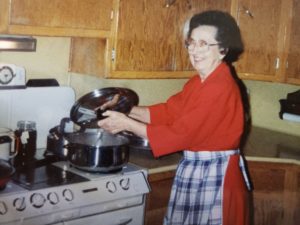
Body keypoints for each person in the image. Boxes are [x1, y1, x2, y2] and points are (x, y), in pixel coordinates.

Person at [98, 10, 251, 225]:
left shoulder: (219, 86)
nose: (195, 50)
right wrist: (126, 109)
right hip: (198, 171)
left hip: (215, 176)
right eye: (191, 42)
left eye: (205, 44)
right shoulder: (200, 81)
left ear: (223, 50)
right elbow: (168, 112)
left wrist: (126, 124)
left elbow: (181, 135)